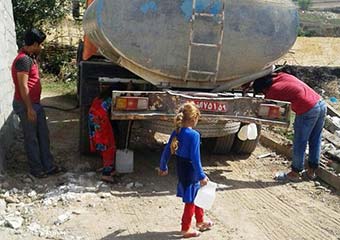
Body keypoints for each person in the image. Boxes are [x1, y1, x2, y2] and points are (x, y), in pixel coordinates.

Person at [252, 72, 327, 181]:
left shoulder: (273, 90)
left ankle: (295, 173)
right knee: (315, 139)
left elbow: (267, 110)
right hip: (320, 103)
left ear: (264, 89)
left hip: (307, 108)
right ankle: (311, 172)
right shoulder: (281, 76)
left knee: (300, 141)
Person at [11, 28, 63, 178]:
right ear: (34, 44)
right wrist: (29, 108)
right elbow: (23, 86)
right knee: (31, 138)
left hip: (35, 104)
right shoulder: (23, 60)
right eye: (40, 44)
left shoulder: (30, 57)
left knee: (43, 135)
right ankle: (37, 169)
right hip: (26, 104)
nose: (42, 47)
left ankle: (48, 166)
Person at [158, 102, 213, 238]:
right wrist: (201, 176)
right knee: (191, 200)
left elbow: (167, 150)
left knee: (197, 195)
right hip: (191, 170)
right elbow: (195, 158)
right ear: (194, 118)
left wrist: (163, 166)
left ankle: (200, 221)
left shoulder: (177, 131)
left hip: (181, 167)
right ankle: (185, 228)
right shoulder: (194, 135)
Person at [88, 87, 117, 183]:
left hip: (94, 121)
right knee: (108, 146)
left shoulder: (99, 98)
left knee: (102, 145)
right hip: (101, 122)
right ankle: (106, 174)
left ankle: (109, 169)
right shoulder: (111, 99)